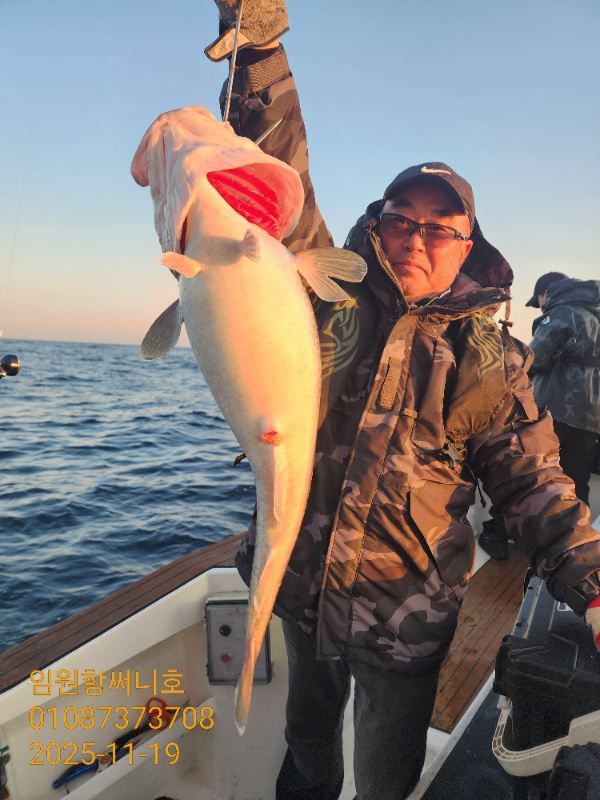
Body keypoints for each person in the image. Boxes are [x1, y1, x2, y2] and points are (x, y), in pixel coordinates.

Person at [205, 4, 600, 798]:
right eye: (399, 220)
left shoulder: (494, 360)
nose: (415, 239)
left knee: (386, 776)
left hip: (405, 619)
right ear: (375, 227)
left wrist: (591, 583)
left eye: (439, 228)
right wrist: (259, 45)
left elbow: (533, 483)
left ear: (469, 247)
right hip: (299, 589)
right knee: (307, 752)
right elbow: (276, 163)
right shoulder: (323, 290)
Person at [479, 272, 600, 560]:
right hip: (591, 419)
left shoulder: (563, 313)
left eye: (539, 301)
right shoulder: (595, 316)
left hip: (555, 411)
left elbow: (533, 359)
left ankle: (497, 534)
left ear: (547, 292)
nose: (540, 307)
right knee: (576, 482)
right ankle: (572, 552)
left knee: (527, 471)